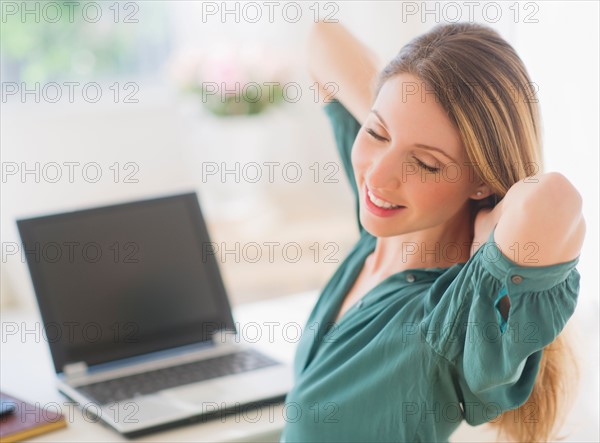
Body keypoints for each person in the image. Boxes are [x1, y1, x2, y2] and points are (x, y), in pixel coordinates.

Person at [280, 21, 586, 443]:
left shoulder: (452, 318)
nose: (380, 177)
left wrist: (489, 229)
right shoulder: (383, 229)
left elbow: (552, 199)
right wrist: (401, 103)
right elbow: (323, 37)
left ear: (480, 181)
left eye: (425, 163)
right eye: (375, 132)